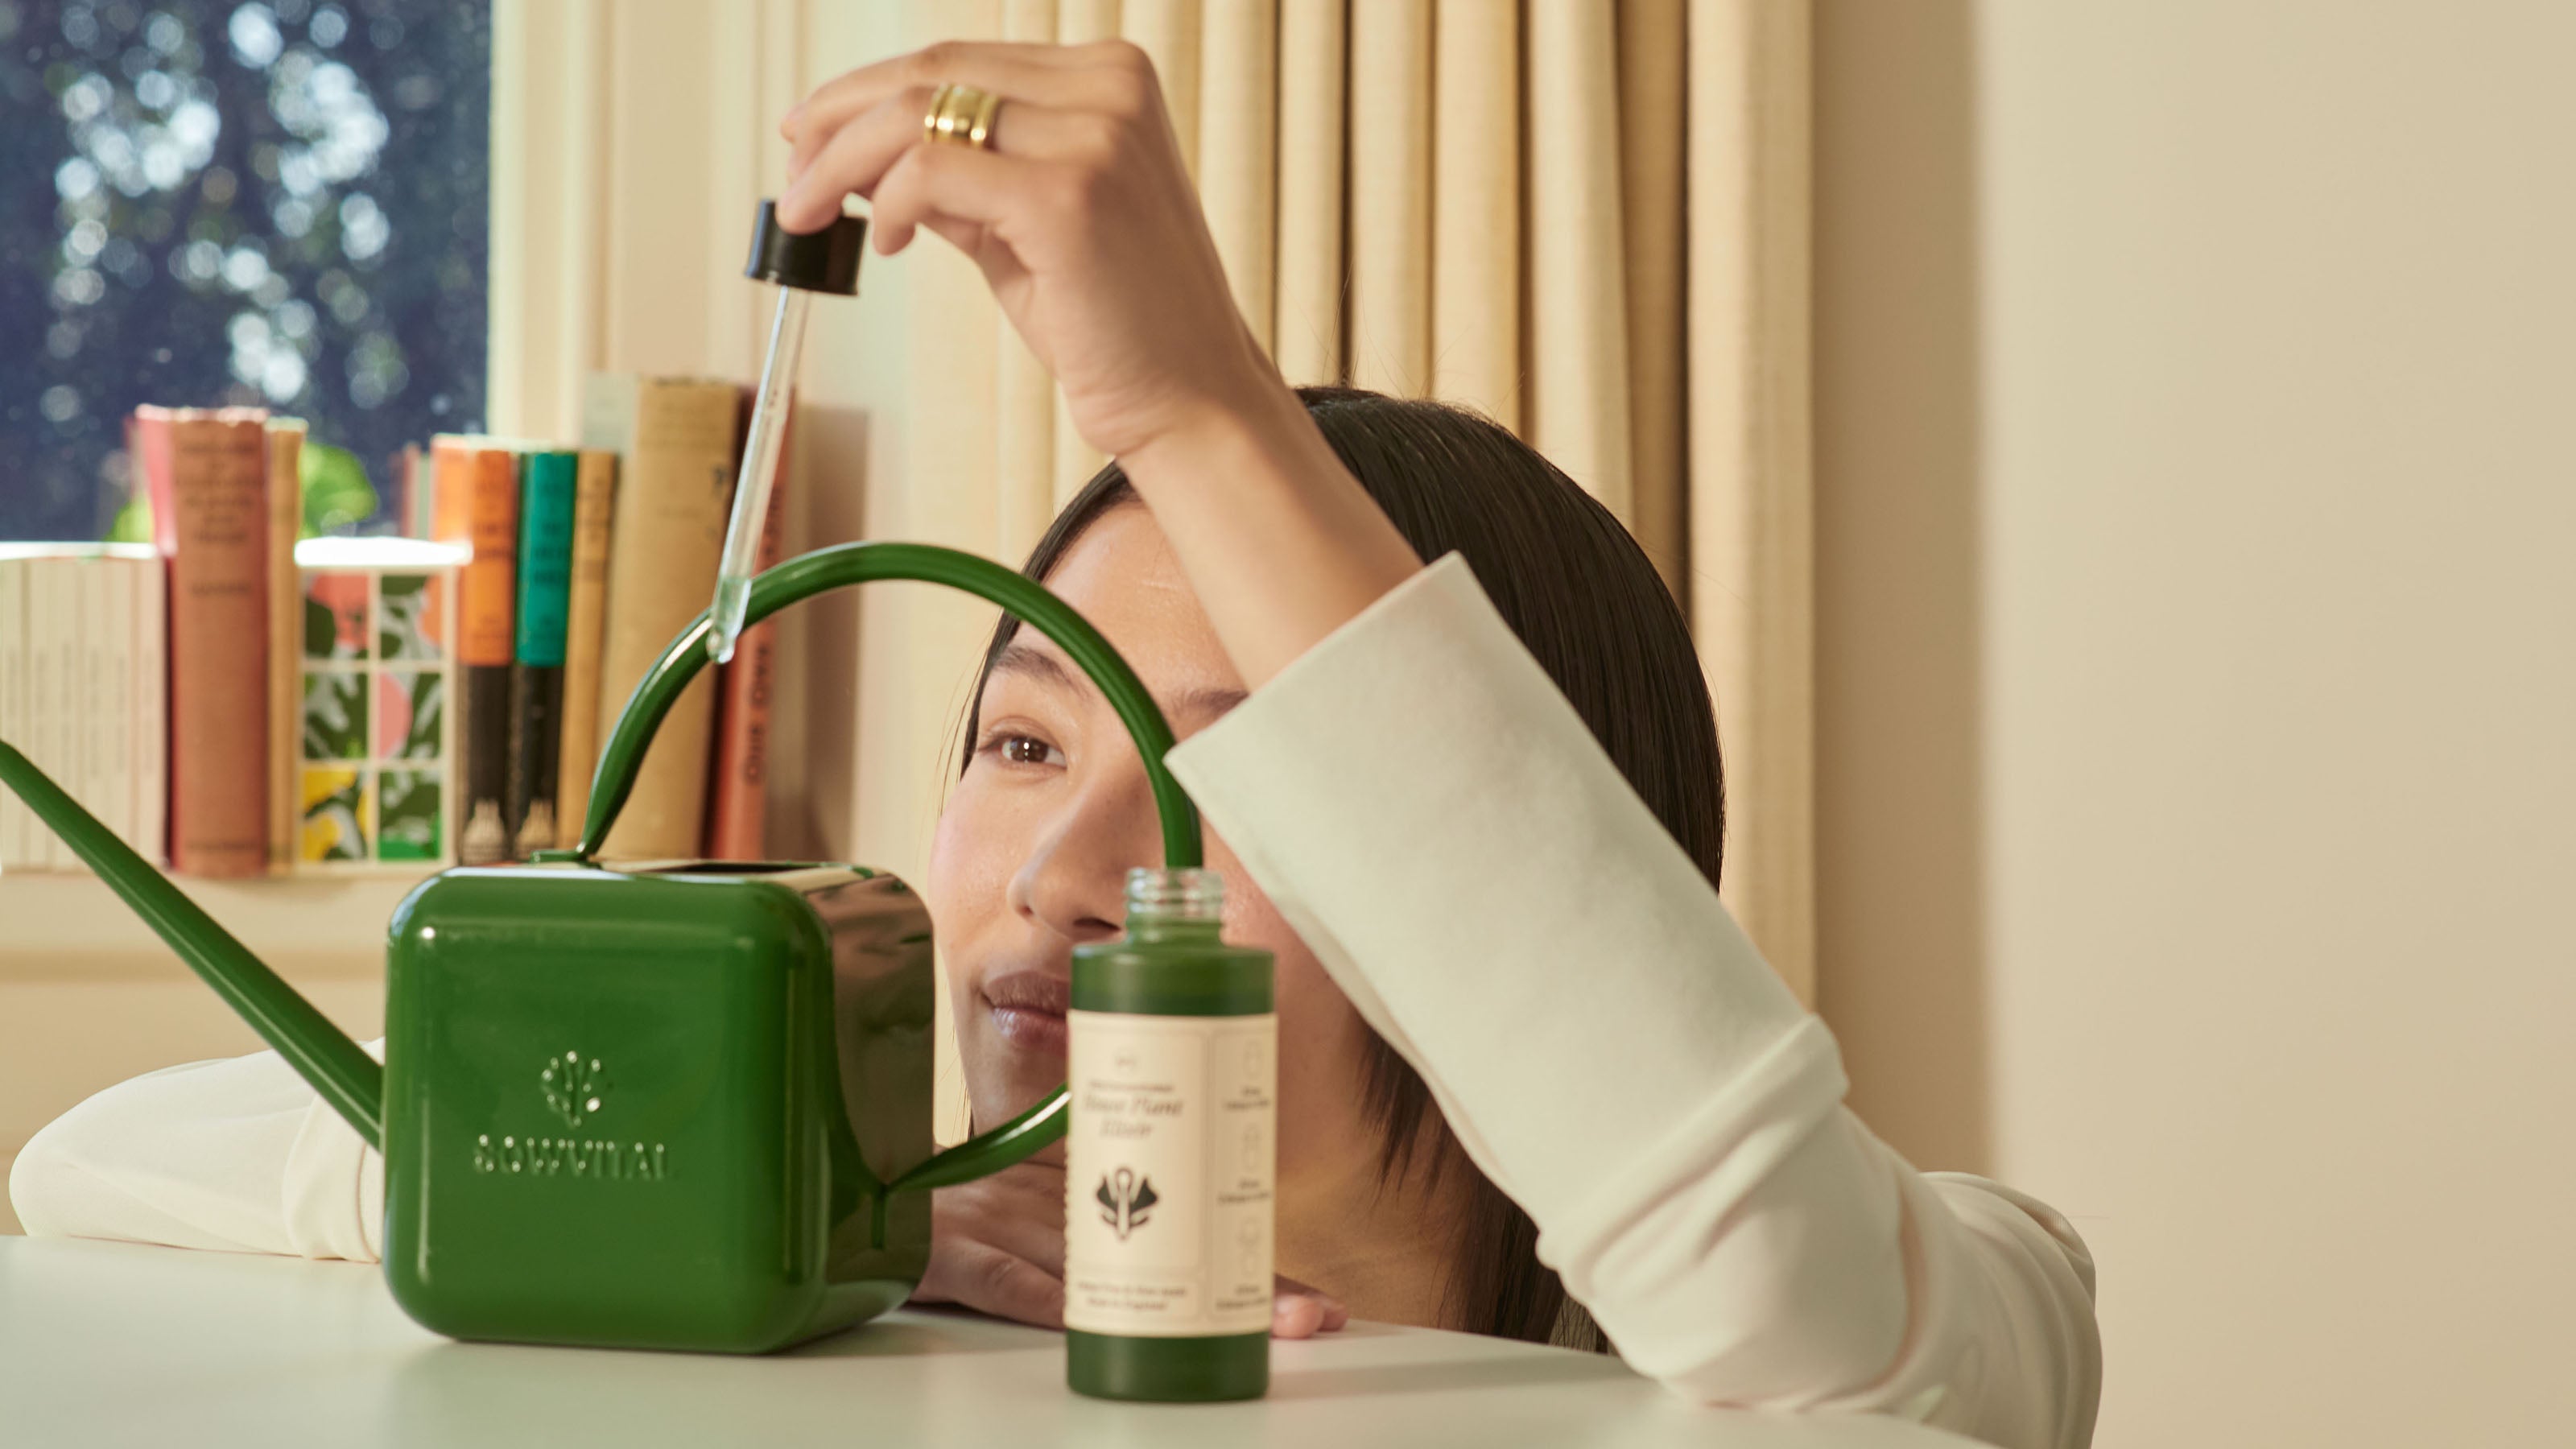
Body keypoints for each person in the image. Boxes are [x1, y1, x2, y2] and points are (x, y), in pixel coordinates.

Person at [10, 40, 2100, 1448]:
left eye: (1242, 765)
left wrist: (1196, 413)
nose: (1069, 871)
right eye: (1018, 746)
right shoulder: (872, 1292)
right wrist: (721, 1204)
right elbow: (86, 1164)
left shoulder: (1947, 1282)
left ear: (1524, 833)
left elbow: (1817, 1341)